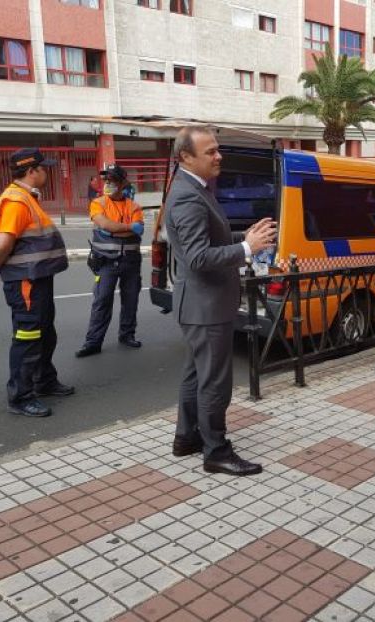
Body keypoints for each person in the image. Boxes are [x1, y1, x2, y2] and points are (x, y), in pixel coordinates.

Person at [164, 125, 277, 476]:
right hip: (206, 305)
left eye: (217, 149)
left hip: (202, 304)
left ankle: (187, 438)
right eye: (210, 152)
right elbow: (198, 257)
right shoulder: (186, 195)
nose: (219, 156)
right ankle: (216, 451)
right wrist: (247, 249)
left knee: (197, 375)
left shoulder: (193, 187)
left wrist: (245, 235)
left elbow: (211, 236)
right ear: (186, 157)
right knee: (214, 382)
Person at [0, 148, 74, 418]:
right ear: (32, 171)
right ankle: (21, 397)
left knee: (45, 331)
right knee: (28, 336)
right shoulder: (16, 201)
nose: (47, 172)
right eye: (44, 168)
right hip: (25, 282)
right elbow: (4, 242)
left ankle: (43, 380)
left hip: (37, 279)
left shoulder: (27, 198)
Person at [75, 164, 145, 358]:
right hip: (105, 262)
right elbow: (105, 224)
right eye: (106, 180)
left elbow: (137, 227)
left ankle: (127, 335)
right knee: (101, 301)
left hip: (131, 262)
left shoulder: (135, 206)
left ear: (123, 183)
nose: (108, 183)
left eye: (112, 180)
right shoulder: (98, 203)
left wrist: (113, 229)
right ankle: (93, 342)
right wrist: (128, 227)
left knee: (130, 301)